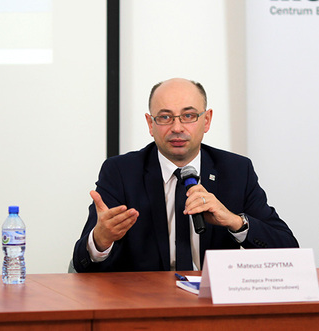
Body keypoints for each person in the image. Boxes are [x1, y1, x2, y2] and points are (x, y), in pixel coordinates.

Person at [72, 78, 297, 272]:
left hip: (212, 301)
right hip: (146, 300)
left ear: (206, 120)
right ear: (150, 124)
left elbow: (289, 251)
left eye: (188, 116)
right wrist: (100, 241)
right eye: (165, 117)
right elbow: (82, 265)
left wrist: (235, 222)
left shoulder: (236, 170)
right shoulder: (121, 172)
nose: (177, 128)